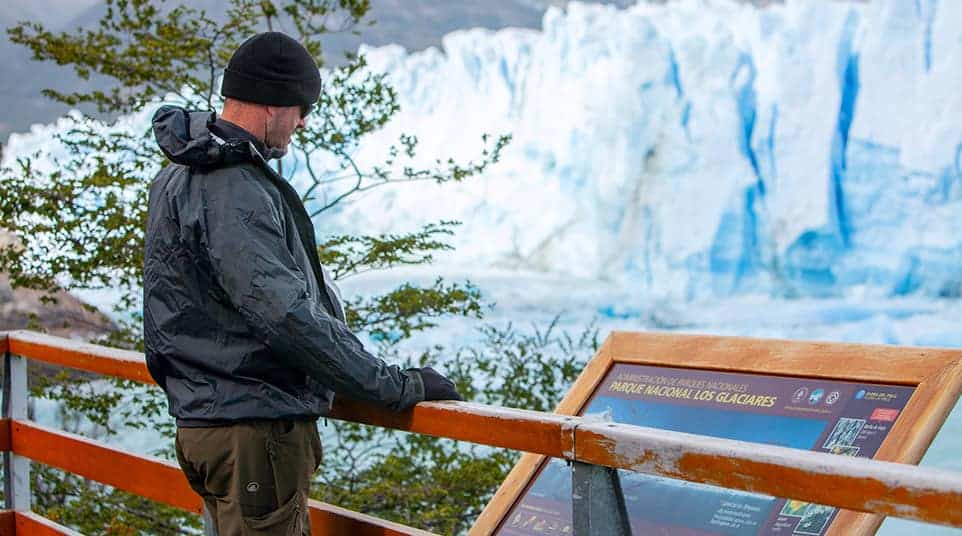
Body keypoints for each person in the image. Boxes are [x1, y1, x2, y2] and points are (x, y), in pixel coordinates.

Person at [143, 31, 462, 535]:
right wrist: (396, 385)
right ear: (271, 105)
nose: (302, 122)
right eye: (299, 108)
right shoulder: (233, 187)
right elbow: (286, 314)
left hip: (207, 423)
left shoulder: (181, 174)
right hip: (252, 432)